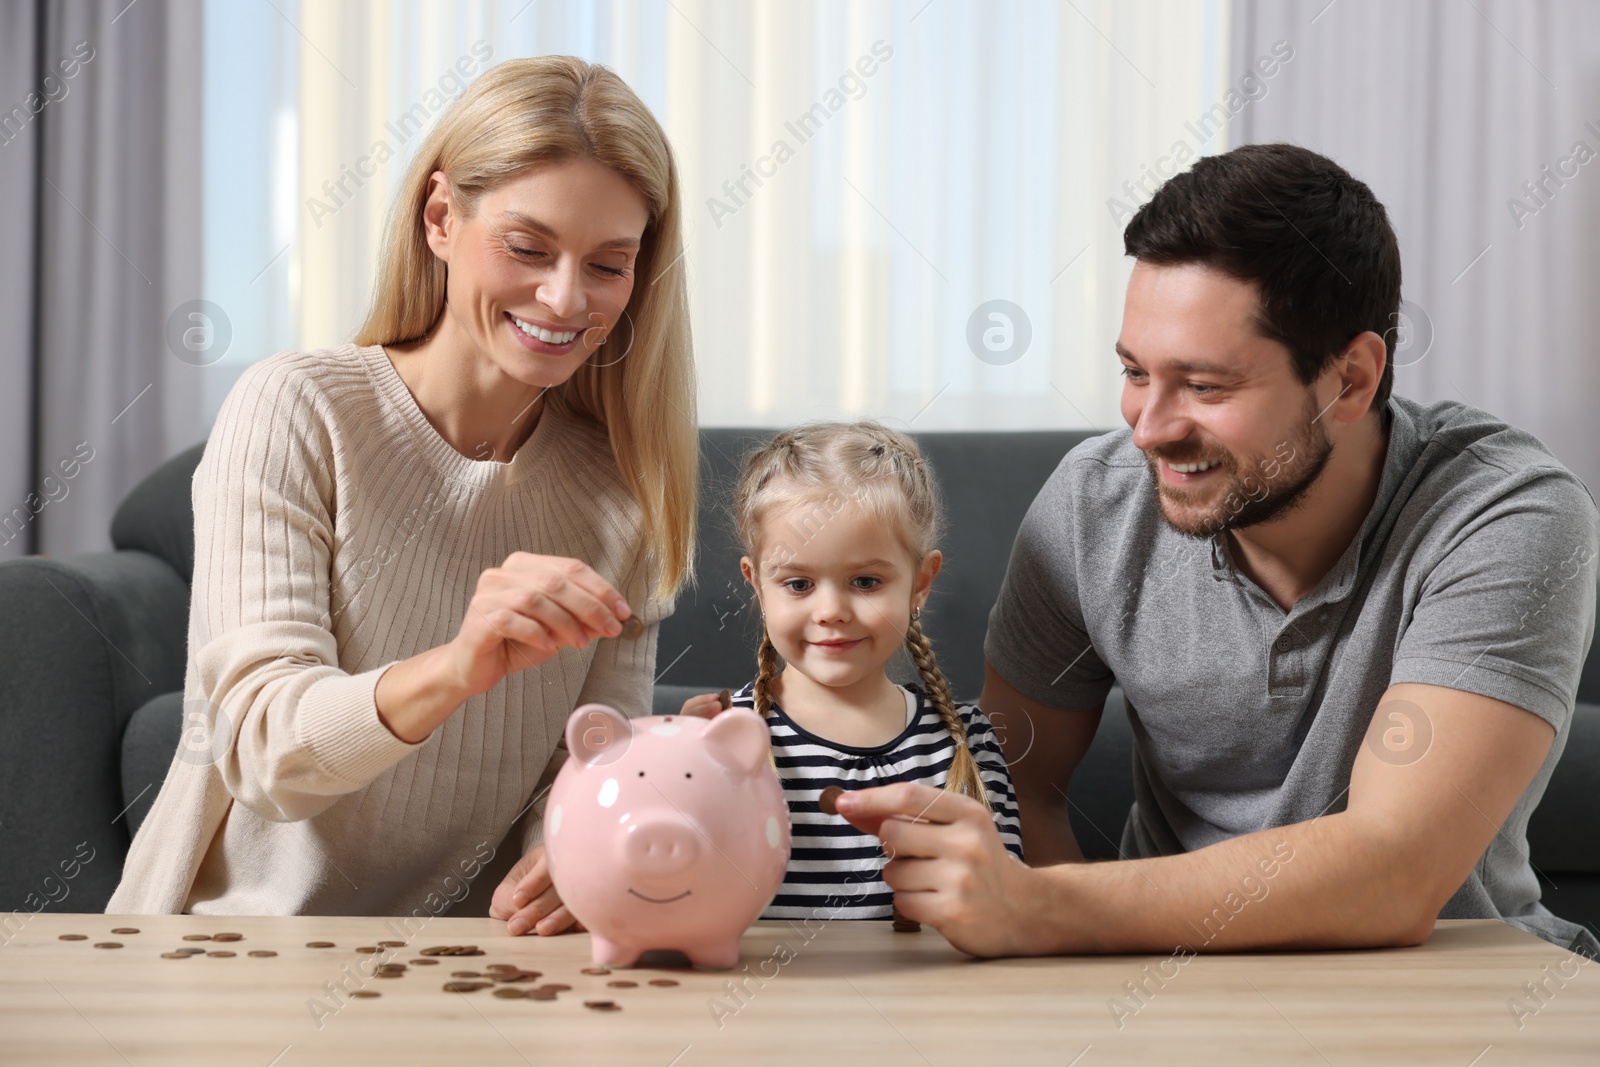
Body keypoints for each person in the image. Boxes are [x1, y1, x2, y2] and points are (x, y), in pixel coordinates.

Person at [832, 143, 1600, 959]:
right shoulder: (1091, 507)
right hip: (1166, 987)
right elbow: (1018, 787)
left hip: (1454, 989)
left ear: (1352, 380)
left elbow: (1394, 869)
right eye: (1135, 372)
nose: (1150, 427)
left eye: (1205, 387)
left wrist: (1041, 907)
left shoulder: (1507, 512)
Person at [108, 57, 699, 934]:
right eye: (528, 248)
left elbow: (574, 773)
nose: (566, 298)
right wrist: (458, 667)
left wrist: (584, 840)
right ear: (439, 219)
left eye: (608, 265)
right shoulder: (298, 409)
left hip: (472, 967)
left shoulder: (622, 493)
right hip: (228, 943)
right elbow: (265, 752)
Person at [676, 421, 1023, 919]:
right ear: (756, 584)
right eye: (798, 584)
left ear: (920, 583)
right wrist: (677, 780)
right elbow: (668, 892)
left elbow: (1008, 910)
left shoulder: (968, 743)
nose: (831, 611)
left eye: (865, 581)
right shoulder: (722, 736)